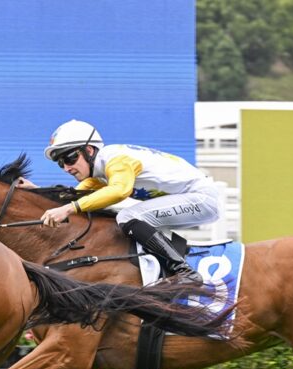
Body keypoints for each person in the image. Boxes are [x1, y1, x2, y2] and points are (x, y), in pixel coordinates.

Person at [40, 119, 220, 285]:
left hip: (202, 198)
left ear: (89, 150)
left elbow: (119, 190)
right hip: (193, 199)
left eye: (70, 158)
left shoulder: (114, 159)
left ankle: (184, 271)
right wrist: (33, 190)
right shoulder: (99, 173)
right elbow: (73, 195)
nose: (66, 168)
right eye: (60, 163)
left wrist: (70, 209)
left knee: (128, 216)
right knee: (131, 220)